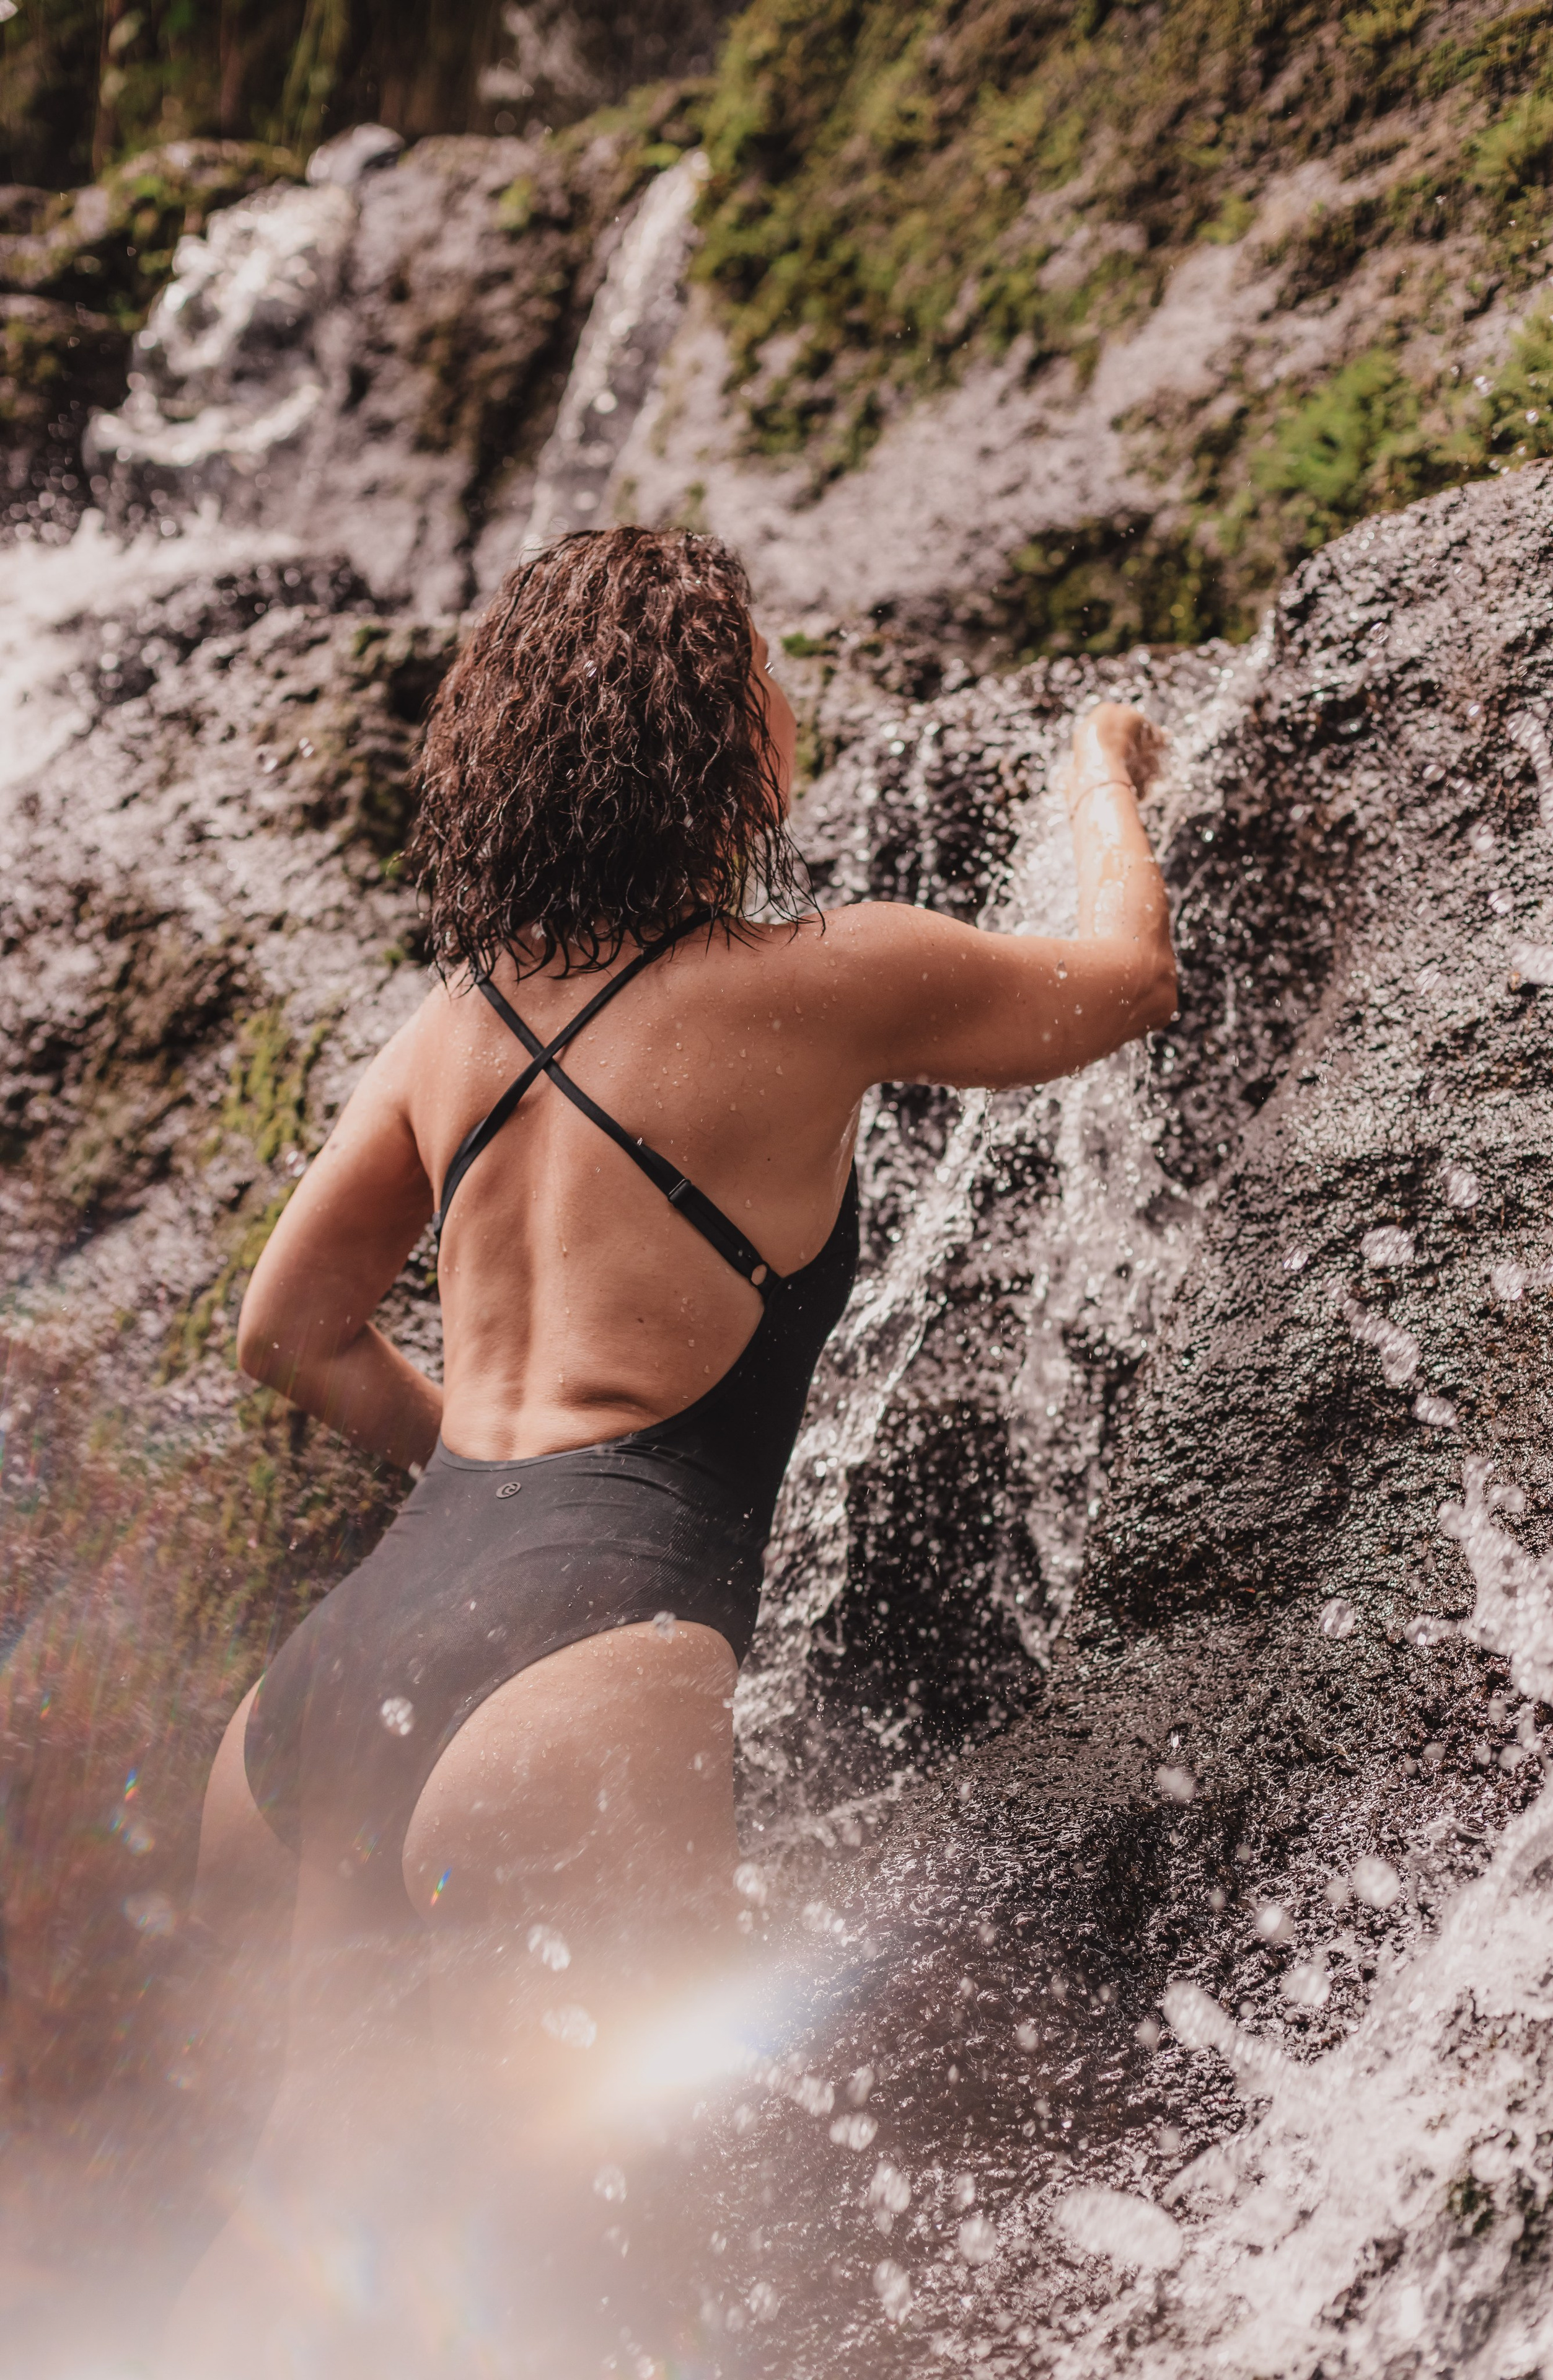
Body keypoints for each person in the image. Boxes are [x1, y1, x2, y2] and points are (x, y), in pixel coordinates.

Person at [165, 527, 1176, 2375]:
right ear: (724, 740)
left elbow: (284, 1331)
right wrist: (1100, 769)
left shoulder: (455, 1025)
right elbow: (1124, 979)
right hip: (578, 1653)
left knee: (304, 2244)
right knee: (641, 2270)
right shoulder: (824, 975)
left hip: (333, 1685)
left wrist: (489, 1499)